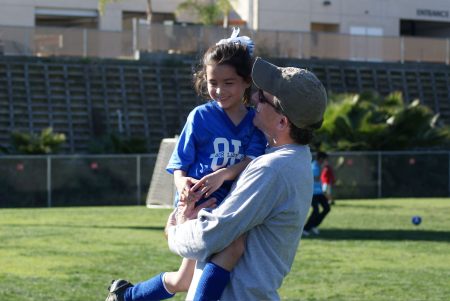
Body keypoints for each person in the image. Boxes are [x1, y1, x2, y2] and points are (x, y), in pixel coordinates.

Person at [105, 29, 267, 301]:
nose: (219, 90)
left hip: (230, 203)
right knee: (235, 247)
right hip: (197, 203)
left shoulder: (255, 121)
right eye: (213, 82)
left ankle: (127, 295)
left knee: (184, 279)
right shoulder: (200, 117)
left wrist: (223, 175)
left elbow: (252, 159)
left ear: (246, 81)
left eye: (229, 83)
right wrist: (183, 187)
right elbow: (180, 164)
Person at [165, 57, 327, 300]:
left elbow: (211, 236)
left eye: (262, 98)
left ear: (283, 122)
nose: (253, 99)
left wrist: (175, 229)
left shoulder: (271, 169)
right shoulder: (297, 157)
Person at [303, 151, 331, 236]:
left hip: (319, 192)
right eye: (325, 159)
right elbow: (316, 178)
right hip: (312, 193)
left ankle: (313, 225)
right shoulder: (314, 166)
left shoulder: (318, 166)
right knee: (316, 210)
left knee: (327, 208)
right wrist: (323, 169)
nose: (326, 161)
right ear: (321, 159)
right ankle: (306, 229)